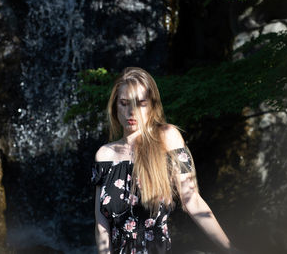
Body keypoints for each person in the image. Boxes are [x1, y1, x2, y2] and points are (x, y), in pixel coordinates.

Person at [92, 67, 239, 254]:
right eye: (124, 103)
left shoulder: (168, 137)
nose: (132, 111)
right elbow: (101, 224)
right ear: (114, 106)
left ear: (152, 105)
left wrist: (230, 249)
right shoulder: (103, 155)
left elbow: (192, 200)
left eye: (141, 103)